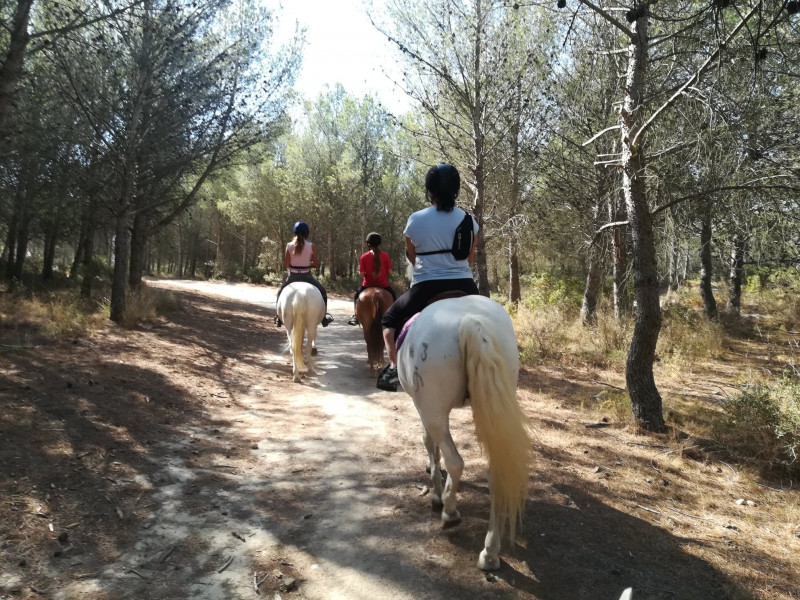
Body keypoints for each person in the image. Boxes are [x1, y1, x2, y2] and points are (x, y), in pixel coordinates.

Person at [376, 163, 479, 392]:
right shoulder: (469, 221)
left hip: (427, 286)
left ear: (429, 190)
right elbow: (469, 259)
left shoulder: (416, 219)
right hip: (465, 284)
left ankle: (393, 369)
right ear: (456, 189)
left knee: (389, 321)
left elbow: (412, 257)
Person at [274, 221, 334, 328]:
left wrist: (296, 264)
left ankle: (278, 318)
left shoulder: (289, 246)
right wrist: (307, 265)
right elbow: (316, 264)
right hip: (307, 277)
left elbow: (287, 264)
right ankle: (324, 317)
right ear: (307, 234)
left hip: (293, 277)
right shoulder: (311, 246)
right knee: (323, 292)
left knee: (280, 293)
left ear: (295, 233)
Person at [347, 232, 397, 326]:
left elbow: (362, 275)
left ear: (368, 243)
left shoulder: (364, 257)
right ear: (379, 243)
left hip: (367, 285)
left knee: (356, 296)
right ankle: (396, 316)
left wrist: (362, 272)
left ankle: (356, 316)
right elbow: (390, 272)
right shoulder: (385, 255)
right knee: (393, 295)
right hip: (383, 285)